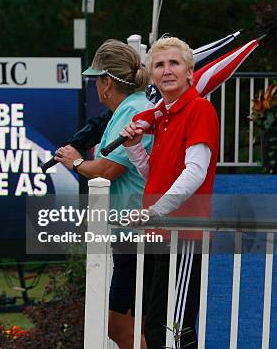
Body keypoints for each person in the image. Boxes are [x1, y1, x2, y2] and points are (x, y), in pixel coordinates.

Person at [120, 36, 219, 349]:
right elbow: (157, 178)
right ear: (151, 75)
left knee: (174, 328)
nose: (166, 70)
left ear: (189, 72)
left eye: (174, 63)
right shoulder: (163, 116)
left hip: (183, 234)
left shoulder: (199, 109)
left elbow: (196, 173)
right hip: (158, 232)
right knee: (154, 325)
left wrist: (155, 211)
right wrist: (134, 148)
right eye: (159, 65)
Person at [54, 39, 152, 349]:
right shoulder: (130, 108)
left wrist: (76, 162)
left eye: (97, 79)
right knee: (135, 326)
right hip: (133, 229)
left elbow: (110, 170)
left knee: (118, 326)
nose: (96, 86)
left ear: (106, 83)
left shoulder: (132, 111)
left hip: (135, 229)